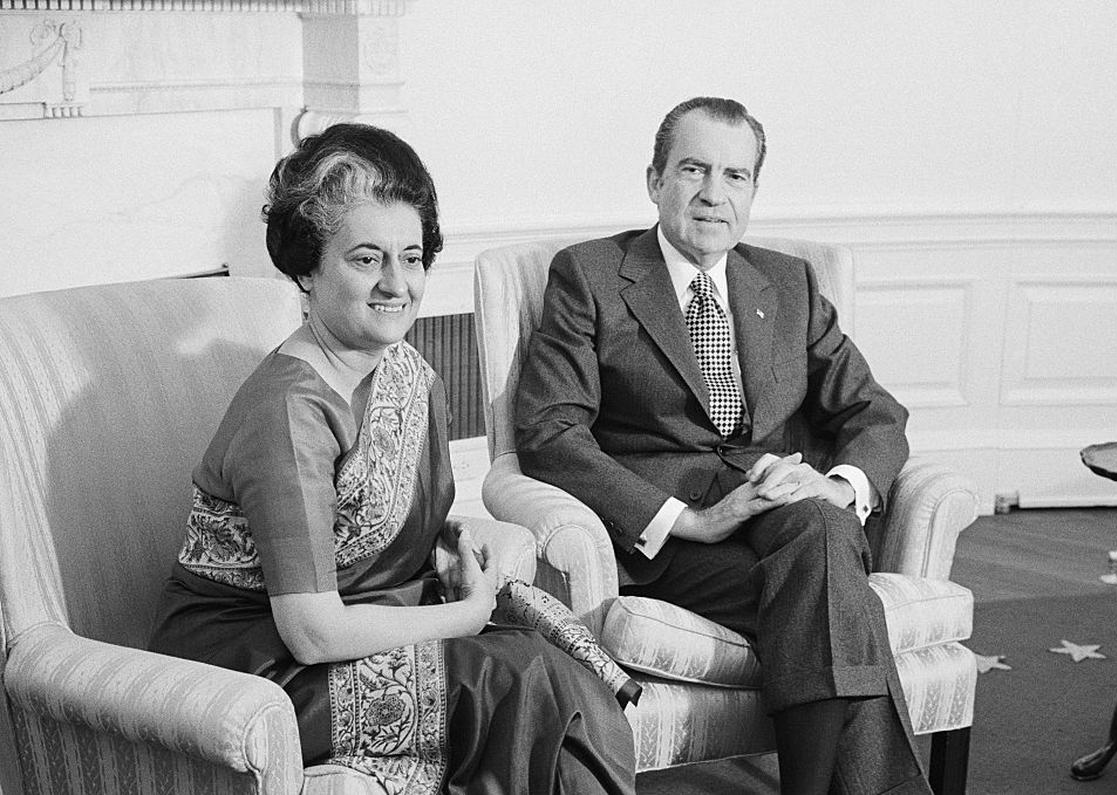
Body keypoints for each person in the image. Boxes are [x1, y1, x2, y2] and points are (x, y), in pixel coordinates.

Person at [149, 123, 635, 794]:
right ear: (307, 268)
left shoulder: (407, 370)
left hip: (366, 628)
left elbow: (392, 522)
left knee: (553, 663)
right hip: (254, 667)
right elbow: (313, 630)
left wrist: (466, 535)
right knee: (515, 673)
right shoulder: (291, 410)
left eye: (412, 257)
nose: (396, 283)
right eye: (366, 258)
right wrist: (465, 616)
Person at [514, 97, 931, 794]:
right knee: (837, 591)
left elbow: (875, 410)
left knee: (821, 538)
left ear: (754, 192)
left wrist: (841, 485)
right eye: (693, 170)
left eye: (735, 176)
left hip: (786, 530)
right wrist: (695, 520)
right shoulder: (589, 275)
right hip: (673, 543)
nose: (714, 194)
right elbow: (549, 431)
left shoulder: (788, 283)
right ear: (655, 180)